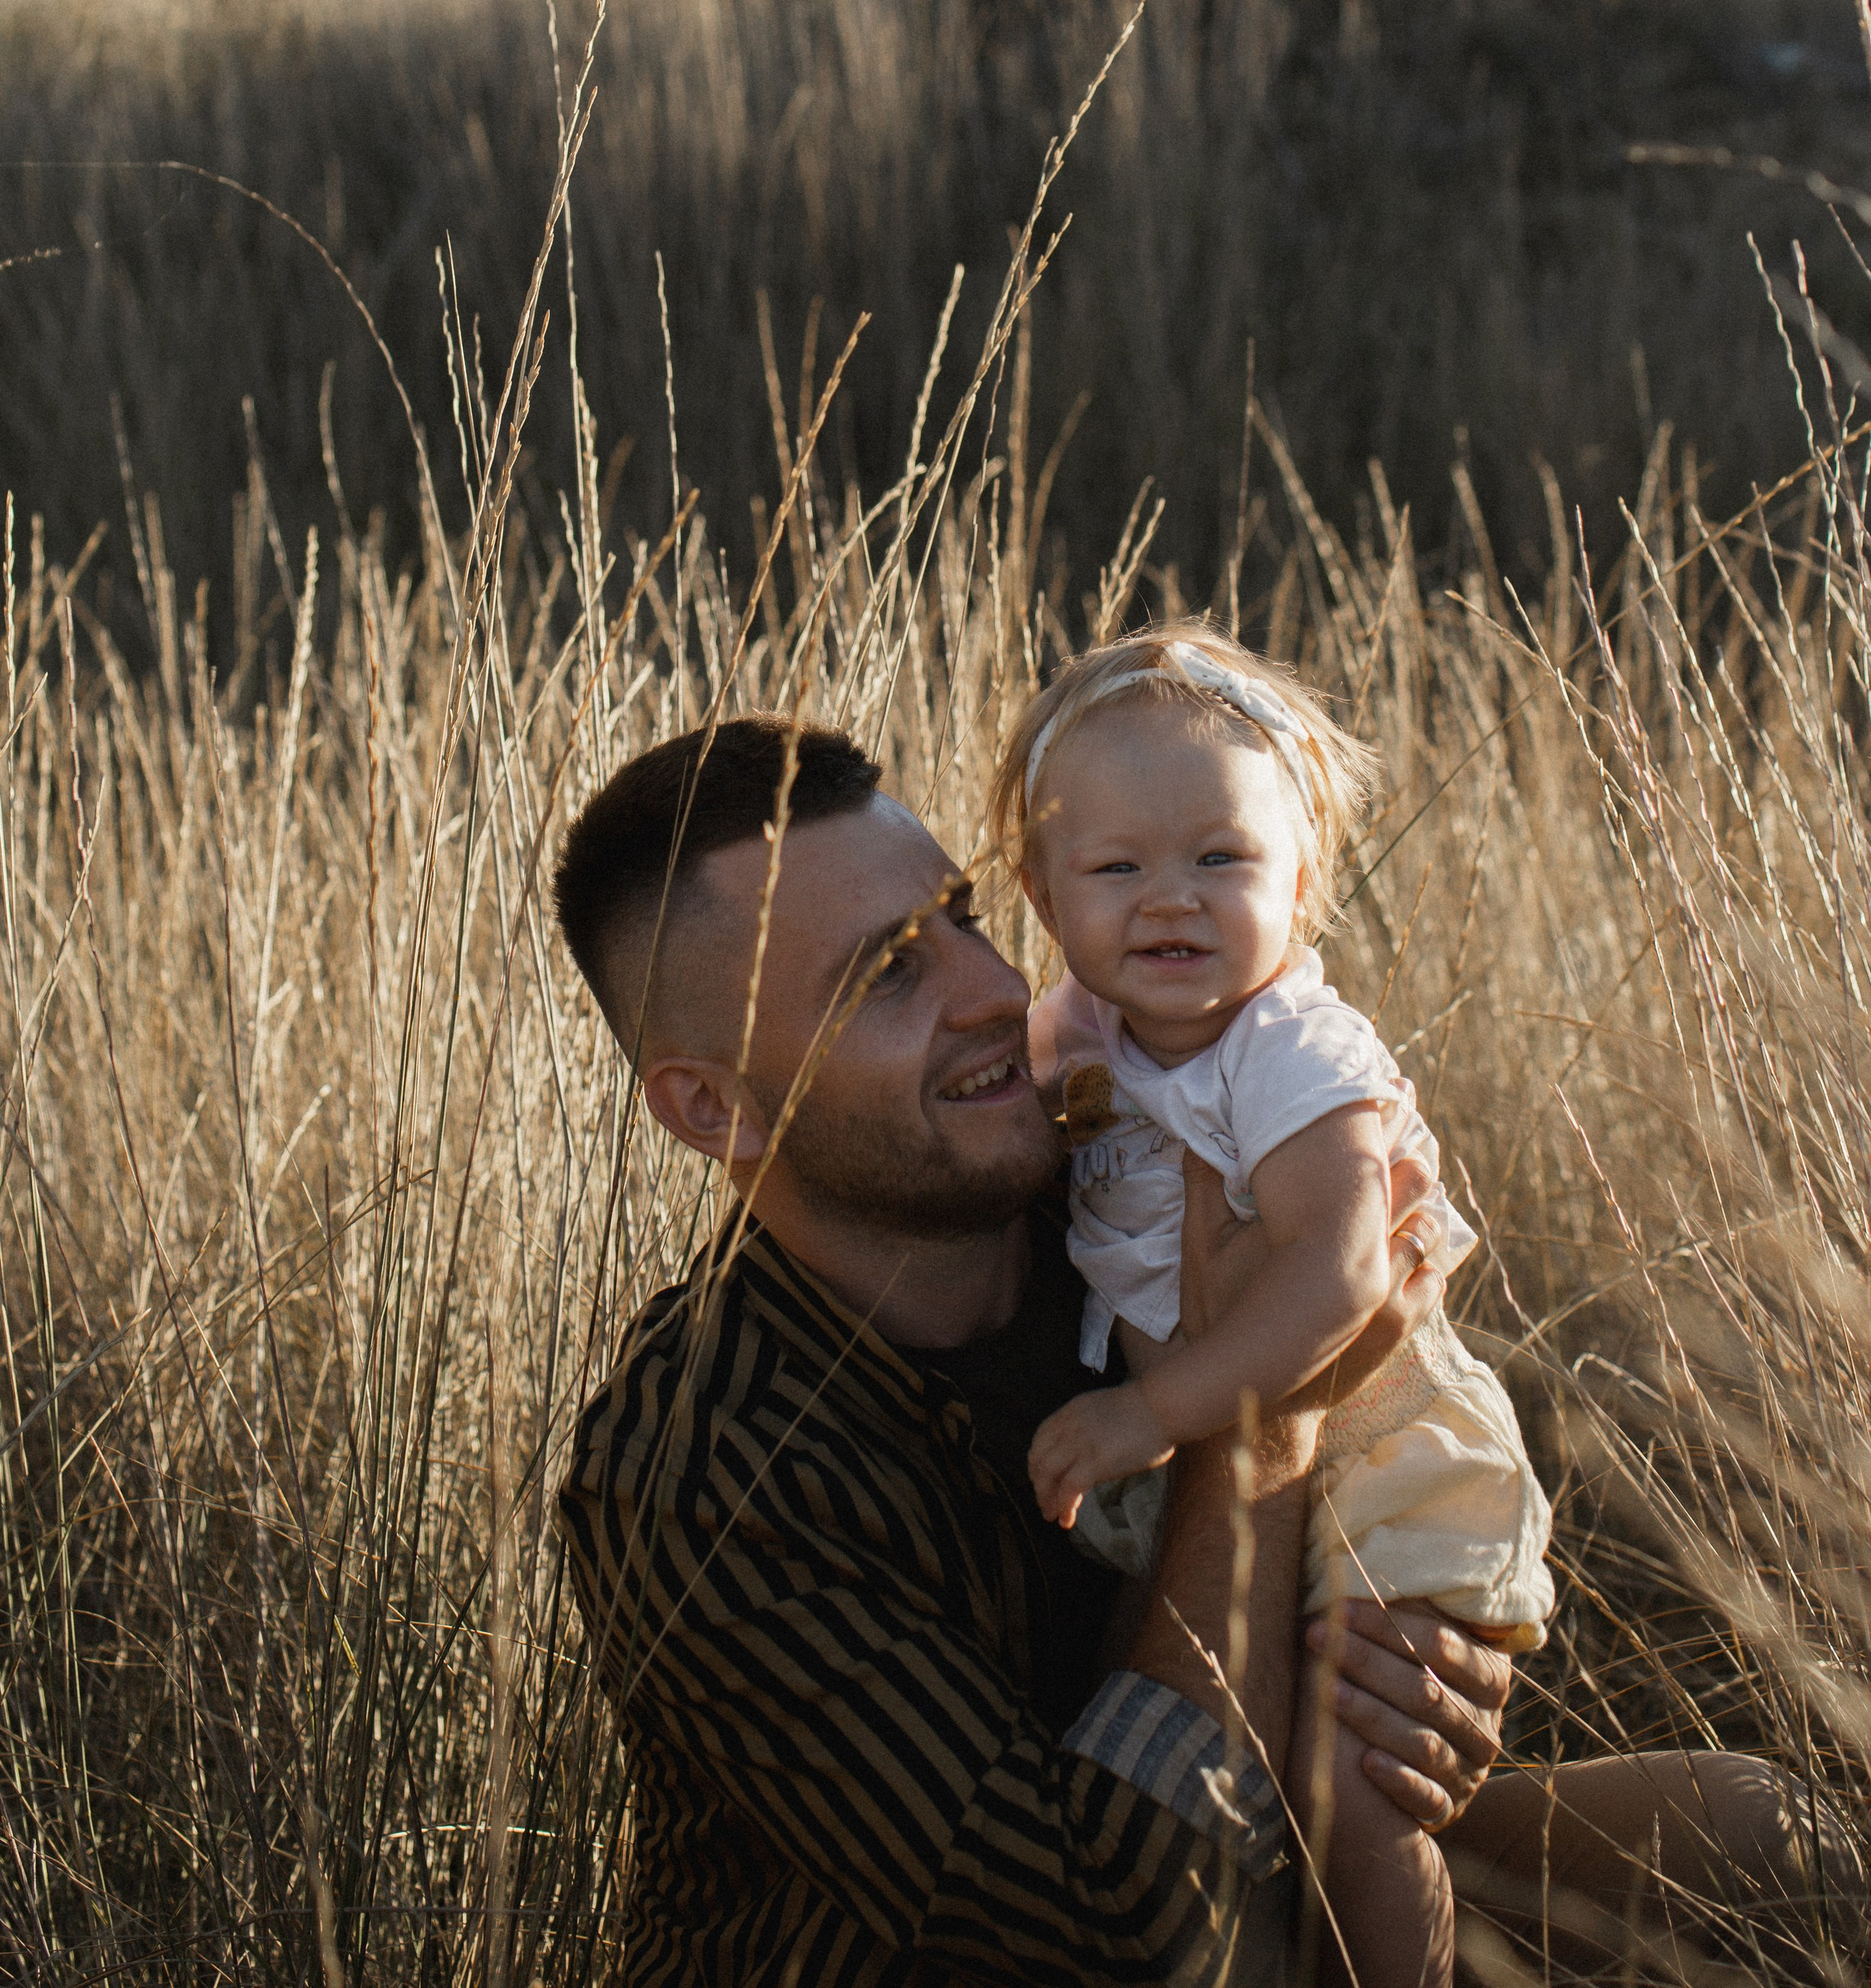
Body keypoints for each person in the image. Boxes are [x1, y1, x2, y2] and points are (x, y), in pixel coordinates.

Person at [553, 713, 1845, 1987]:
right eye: (889, 973)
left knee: (1764, 1838)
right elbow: (1110, 1936)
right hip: (1085, 1938)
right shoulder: (698, 1473)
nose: (996, 992)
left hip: (1270, 1859)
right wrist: (1255, 1424)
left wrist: (1407, 1679)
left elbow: (1372, 1362)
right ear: (711, 1105)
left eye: (964, 919)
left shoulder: (1116, 1188)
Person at [992, 623, 1555, 1988]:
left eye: (1221, 859)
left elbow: (1340, 1271)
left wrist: (1151, 1413)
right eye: (1117, 869)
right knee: (1208, 1755)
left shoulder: (1291, 1047)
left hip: (1382, 1446)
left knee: (1358, 1782)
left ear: (1301, 883)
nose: (1170, 901)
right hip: (1217, 1455)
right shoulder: (1078, 1036)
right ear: (1044, 896)